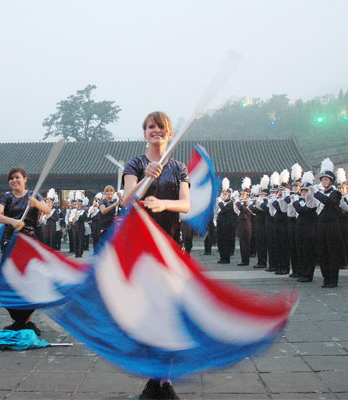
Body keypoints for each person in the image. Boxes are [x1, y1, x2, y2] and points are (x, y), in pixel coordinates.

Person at [122, 111, 189, 400]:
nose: (156, 131)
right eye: (151, 127)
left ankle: (166, 377)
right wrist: (144, 179)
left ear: (170, 133)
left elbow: (186, 205)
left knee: (171, 313)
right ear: (144, 132)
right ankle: (154, 375)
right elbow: (126, 200)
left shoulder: (179, 167)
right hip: (143, 248)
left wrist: (163, 203)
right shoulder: (135, 164)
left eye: (161, 127)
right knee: (149, 312)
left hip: (172, 246)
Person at [0, 167, 51, 332]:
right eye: (11, 178)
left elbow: (47, 210)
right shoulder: (6, 197)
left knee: (30, 280)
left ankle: (27, 319)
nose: (14, 181)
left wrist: (36, 203)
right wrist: (12, 221)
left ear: (25, 179)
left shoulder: (33, 195)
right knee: (11, 281)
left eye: (17, 177)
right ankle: (19, 319)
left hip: (29, 241)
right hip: (9, 241)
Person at [311, 158, 343, 288]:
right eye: (322, 180)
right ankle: (326, 278)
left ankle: (333, 279)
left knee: (332, 253)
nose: (323, 182)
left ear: (331, 181)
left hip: (332, 226)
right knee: (322, 252)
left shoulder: (336, 193)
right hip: (321, 225)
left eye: (326, 180)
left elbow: (330, 202)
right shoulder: (320, 193)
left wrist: (317, 194)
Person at [214, 178, 235, 264]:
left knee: (226, 242)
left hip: (227, 226)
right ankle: (222, 258)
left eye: (226, 194)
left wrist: (220, 203)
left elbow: (224, 209)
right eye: (223, 194)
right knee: (220, 242)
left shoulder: (230, 203)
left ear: (229, 195)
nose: (224, 196)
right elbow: (217, 212)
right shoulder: (221, 202)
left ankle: (226, 259)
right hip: (220, 225)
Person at [235, 177, 253, 266]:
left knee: (246, 243)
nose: (242, 195)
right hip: (241, 224)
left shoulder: (249, 201)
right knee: (242, 243)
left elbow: (244, 209)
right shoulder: (242, 202)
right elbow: (236, 211)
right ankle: (243, 259)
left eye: (244, 194)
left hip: (247, 224)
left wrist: (239, 203)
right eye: (242, 194)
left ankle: (246, 260)